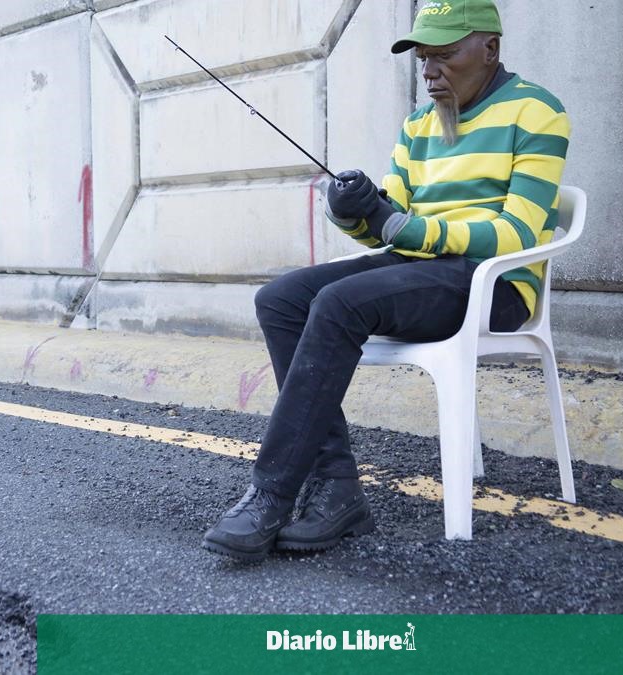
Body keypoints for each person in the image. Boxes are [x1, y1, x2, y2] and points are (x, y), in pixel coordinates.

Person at [201, 0, 570, 562]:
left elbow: (518, 232)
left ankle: (272, 493)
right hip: (423, 271)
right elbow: (390, 232)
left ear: (490, 49)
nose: (430, 72)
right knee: (280, 299)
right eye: (424, 59)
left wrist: (408, 227)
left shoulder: (537, 112)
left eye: (444, 56)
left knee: (341, 302)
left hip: (495, 287)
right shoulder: (420, 123)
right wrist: (354, 210)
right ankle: (336, 488)